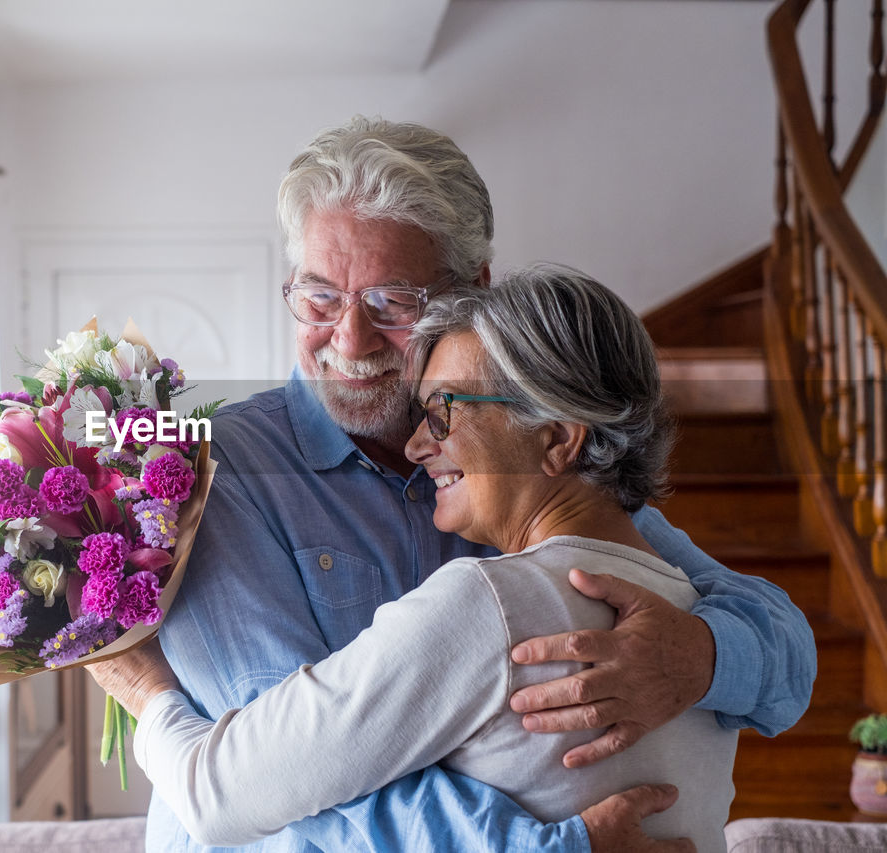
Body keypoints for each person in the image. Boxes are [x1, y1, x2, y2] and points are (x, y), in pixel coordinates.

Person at [135, 116, 815, 852]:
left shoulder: (540, 478)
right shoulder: (218, 468)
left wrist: (703, 655)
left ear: (472, 293)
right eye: (320, 298)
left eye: (392, 303)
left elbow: (778, 640)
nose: (350, 340)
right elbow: (275, 784)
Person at [91, 265, 739, 853]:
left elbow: (222, 796)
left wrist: (144, 688)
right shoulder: (690, 616)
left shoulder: (490, 605)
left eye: (446, 409)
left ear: (556, 439)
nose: (421, 442)